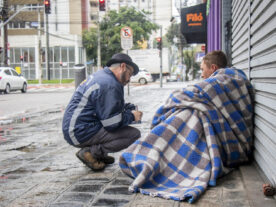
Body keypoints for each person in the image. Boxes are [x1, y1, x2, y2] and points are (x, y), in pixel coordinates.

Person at [119, 50, 254, 203]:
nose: (202, 74)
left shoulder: (221, 80)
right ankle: (161, 154)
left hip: (231, 142)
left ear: (214, 68)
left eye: (203, 69)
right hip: (236, 141)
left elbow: (186, 94)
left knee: (193, 114)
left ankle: (158, 155)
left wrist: (162, 114)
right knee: (196, 111)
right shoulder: (234, 79)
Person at [62, 53, 143, 171]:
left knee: (119, 125)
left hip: (76, 128)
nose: (129, 79)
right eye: (130, 74)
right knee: (133, 134)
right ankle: (91, 153)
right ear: (123, 67)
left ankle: (98, 155)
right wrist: (131, 116)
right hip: (79, 132)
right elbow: (111, 123)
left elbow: (107, 106)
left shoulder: (103, 77)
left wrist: (127, 108)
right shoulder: (110, 84)